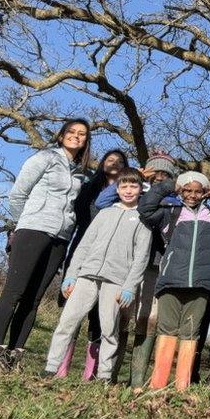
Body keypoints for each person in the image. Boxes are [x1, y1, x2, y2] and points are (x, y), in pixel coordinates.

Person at [0, 118, 92, 374]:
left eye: (82, 134)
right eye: (72, 132)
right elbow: (18, 193)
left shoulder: (82, 173)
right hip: (33, 230)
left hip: (60, 238)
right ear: (62, 134)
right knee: (14, 293)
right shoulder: (45, 158)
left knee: (34, 299)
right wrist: (22, 225)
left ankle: (14, 355)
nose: (76, 137)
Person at [138, 171, 210, 390]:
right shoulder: (171, 214)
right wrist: (169, 186)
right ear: (181, 191)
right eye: (188, 190)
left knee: (191, 333)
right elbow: (145, 208)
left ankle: (181, 385)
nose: (192, 195)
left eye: (198, 191)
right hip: (170, 281)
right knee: (167, 330)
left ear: (205, 193)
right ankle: (158, 384)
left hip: (201, 283)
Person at [42, 168, 152, 380]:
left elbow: (141, 257)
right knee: (67, 322)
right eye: (124, 186)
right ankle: (51, 367)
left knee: (109, 329)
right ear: (117, 188)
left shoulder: (142, 220)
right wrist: (72, 274)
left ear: (141, 189)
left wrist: (130, 286)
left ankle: (104, 375)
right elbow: (84, 246)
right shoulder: (104, 213)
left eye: (133, 186)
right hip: (87, 276)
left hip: (116, 281)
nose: (128, 191)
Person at [91, 150, 179, 388]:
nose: (159, 178)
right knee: (118, 317)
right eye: (155, 173)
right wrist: (136, 175)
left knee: (147, 319)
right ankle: (108, 374)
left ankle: (136, 380)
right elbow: (101, 202)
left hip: (156, 265)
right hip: (125, 266)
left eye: (165, 175)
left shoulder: (174, 200)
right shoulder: (135, 193)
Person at [58, 148, 129, 381]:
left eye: (120, 162)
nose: (115, 163)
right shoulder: (89, 187)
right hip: (84, 249)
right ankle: (61, 367)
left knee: (100, 317)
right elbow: (81, 212)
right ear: (102, 164)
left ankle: (89, 373)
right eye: (110, 160)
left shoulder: (127, 194)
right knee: (72, 310)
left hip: (111, 258)